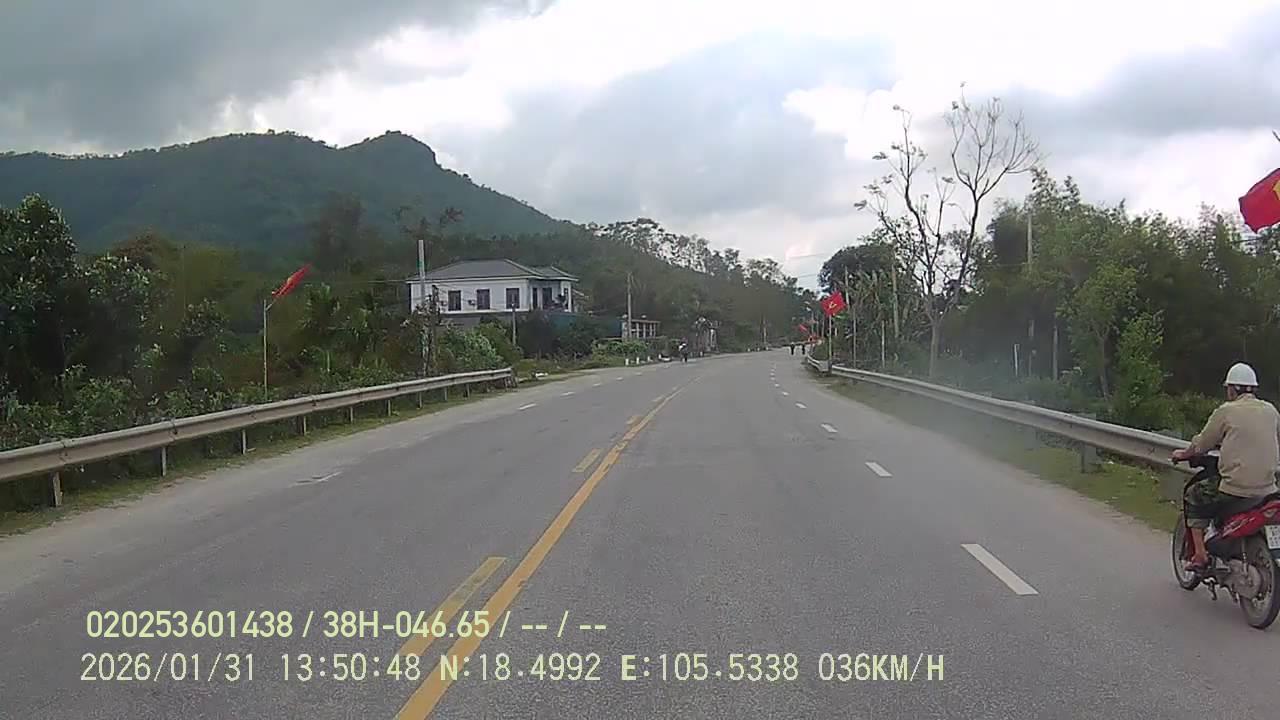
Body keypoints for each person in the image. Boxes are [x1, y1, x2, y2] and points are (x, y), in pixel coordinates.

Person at [1171, 362, 1280, 570]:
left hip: (1235, 488)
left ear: (1231, 389)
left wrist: (1184, 454)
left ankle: (1200, 555)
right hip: (1268, 490)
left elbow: (1203, 443)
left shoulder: (1226, 411)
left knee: (1194, 495)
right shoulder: (1271, 411)